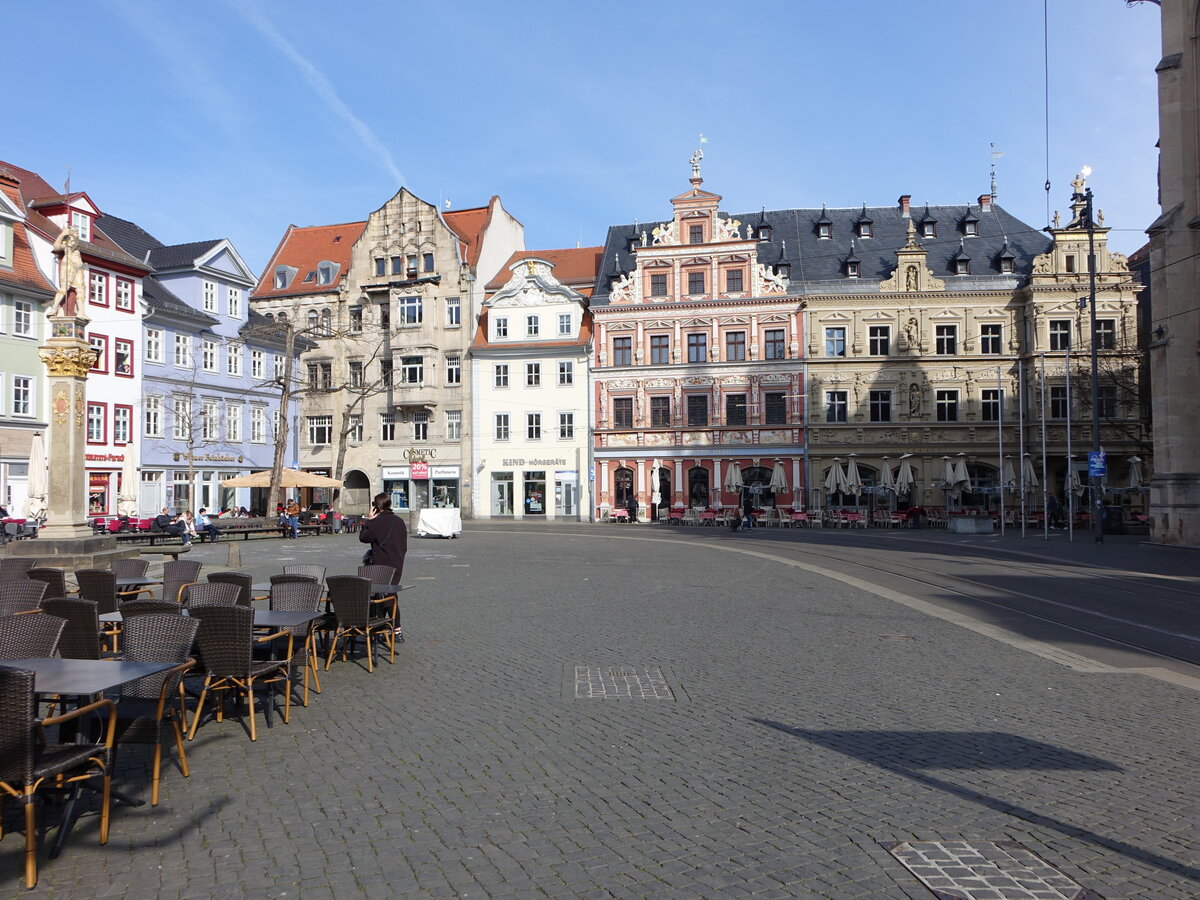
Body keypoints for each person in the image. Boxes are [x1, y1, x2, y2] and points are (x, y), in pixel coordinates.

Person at [359, 493, 407, 584]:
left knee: (380, 591)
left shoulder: (376, 522)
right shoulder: (400, 521)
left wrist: (369, 521)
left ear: (377, 507)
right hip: (397, 562)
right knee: (391, 590)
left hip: (380, 565)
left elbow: (363, 537)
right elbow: (404, 546)